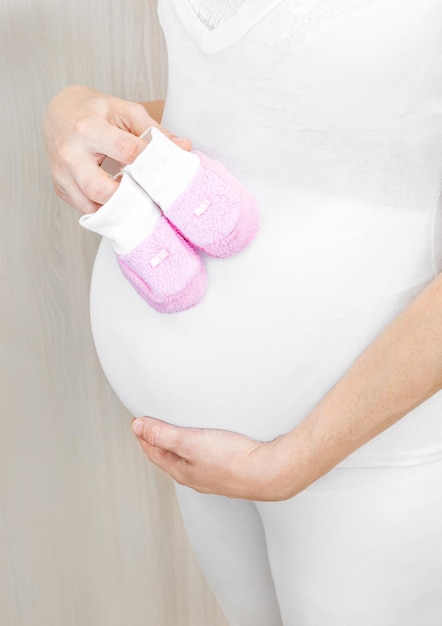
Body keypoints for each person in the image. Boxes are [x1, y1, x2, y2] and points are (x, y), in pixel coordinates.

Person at [44, 1, 442, 624]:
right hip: (206, 457)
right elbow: (268, 115)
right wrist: (76, 112)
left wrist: (293, 460)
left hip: (368, 451)